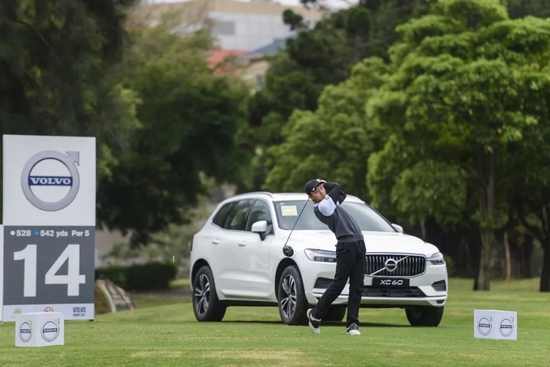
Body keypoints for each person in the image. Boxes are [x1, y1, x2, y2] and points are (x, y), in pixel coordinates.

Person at [303, 178, 366, 336]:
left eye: (322, 189)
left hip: (358, 243)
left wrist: (322, 185)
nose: (322, 192)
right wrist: (326, 183)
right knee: (338, 285)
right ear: (311, 198)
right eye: (317, 191)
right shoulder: (323, 206)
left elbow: (341, 194)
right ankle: (316, 315)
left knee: (357, 286)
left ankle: (352, 324)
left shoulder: (329, 202)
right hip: (346, 246)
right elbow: (337, 187)